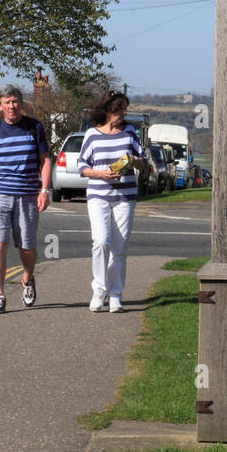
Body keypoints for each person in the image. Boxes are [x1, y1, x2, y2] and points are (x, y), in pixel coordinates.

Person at [0, 84, 51, 314]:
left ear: (21, 104)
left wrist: (44, 190)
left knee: (27, 248)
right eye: (7, 102)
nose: (12, 106)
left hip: (27, 195)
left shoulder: (34, 127)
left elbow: (45, 160)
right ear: (0, 106)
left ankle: (27, 278)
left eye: (15, 101)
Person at [78, 90, 147, 313]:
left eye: (125, 108)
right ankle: (99, 290)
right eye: (121, 109)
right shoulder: (92, 134)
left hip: (125, 197)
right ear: (109, 110)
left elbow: (144, 162)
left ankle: (116, 294)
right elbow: (83, 167)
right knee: (101, 241)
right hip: (98, 196)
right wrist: (101, 174)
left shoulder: (129, 132)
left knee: (120, 248)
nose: (124, 113)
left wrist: (135, 161)